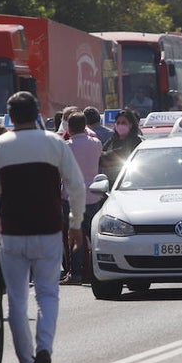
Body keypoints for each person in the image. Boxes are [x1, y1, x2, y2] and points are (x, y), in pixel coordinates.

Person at [0, 91, 86, 363]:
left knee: (16, 300)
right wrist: (76, 223)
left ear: (10, 116)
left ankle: (27, 361)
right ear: (37, 114)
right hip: (48, 229)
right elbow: (77, 186)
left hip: (13, 232)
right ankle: (44, 349)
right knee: (48, 294)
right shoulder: (54, 142)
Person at [61, 111, 104, 285]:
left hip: (71, 197)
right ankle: (98, 270)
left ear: (69, 128)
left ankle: (76, 273)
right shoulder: (96, 143)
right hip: (93, 195)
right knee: (94, 236)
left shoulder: (66, 146)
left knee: (75, 236)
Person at [100, 108, 141, 184]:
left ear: (131, 124)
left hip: (128, 181)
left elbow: (124, 154)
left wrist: (110, 162)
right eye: (118, 123)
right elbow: (101, 154)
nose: (120, 125)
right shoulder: (112, 139)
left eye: (123, 123)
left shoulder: (136, 141)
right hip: (108, 182)